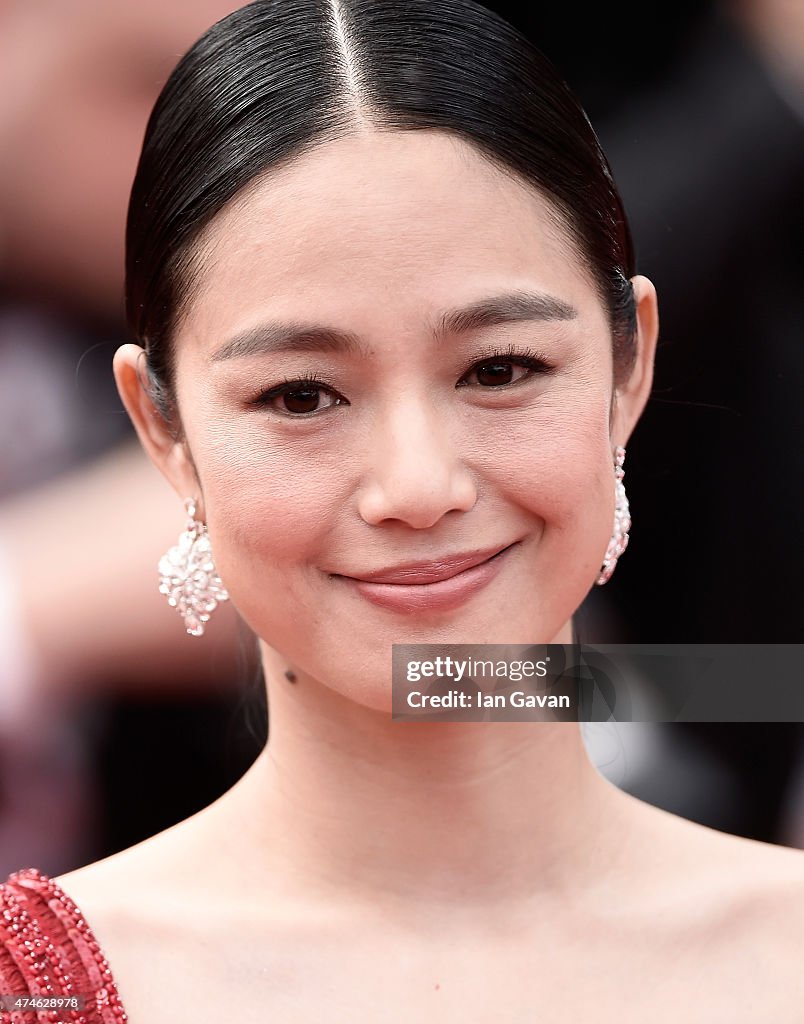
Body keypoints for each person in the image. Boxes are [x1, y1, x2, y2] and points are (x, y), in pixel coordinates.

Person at [2, 1, 803, 1021]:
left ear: (628, 366)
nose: (419, 487)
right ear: (163, 427)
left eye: (500, 368)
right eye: (301, 396)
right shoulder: (41, 990)